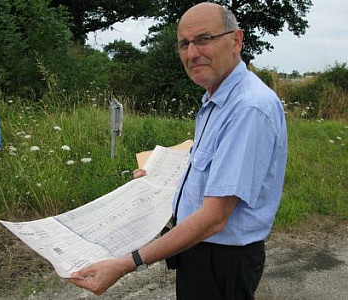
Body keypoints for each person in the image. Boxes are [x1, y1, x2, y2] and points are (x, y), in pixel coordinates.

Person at [69, 3, 288, 299]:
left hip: (221, 258)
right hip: (199, 248)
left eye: (204, 39)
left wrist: (127, 262)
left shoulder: (248, 108)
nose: (192, 53)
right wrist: (159, 179)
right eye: (184, 43)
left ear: (236, 41)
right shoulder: (216, 97)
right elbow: (209, 167)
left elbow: (214, 217)